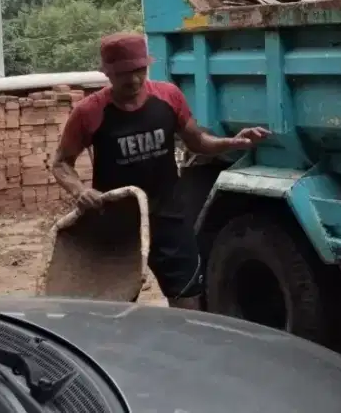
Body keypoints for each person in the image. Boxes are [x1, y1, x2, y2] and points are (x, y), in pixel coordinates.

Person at [51, 32, 270, 310]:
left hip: (170, 218)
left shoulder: (168, 96)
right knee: (112, 309)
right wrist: (80, 191)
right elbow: (60, 163)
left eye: (139, 70)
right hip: (118, 223)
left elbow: (198, 142)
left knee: (189, 303)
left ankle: (187, 352)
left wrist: (232, 141)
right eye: (123, 73)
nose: (133, 80)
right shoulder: (89, 112)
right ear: (107, 73)